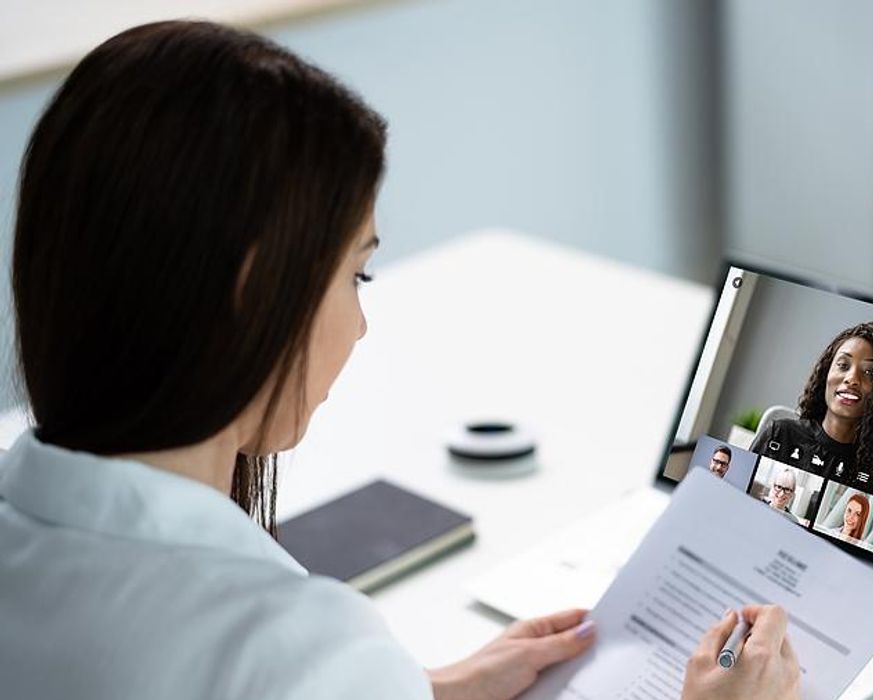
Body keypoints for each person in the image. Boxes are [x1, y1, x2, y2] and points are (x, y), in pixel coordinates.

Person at [0, 21, 801, 700]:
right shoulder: (292, 649)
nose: (360, 325)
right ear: (252, 293)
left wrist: (418, 689)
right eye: (356, 273)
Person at [749, 321, 873, 510]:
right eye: (843, 365)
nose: (851, 378)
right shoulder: (780, 434)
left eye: (870, 373)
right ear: (827, 373)